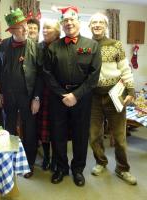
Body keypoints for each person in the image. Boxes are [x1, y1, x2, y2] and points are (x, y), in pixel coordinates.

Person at [43, 6, 101, 186]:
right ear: (62, 24)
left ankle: (78, 170)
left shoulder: (92, 46)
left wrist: (75, 95)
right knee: (57, 134)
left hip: (82, 97)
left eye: (72, 19)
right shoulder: (53, 47)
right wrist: (63, 94)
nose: (69, 23)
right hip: (57, 97)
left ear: (78, 22)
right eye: (65, 21)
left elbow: (94, 76)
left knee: (80, 135)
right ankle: (61, 168)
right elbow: (47, 73)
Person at [89, 13, 137, 185]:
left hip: (115, 95)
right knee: (94, 135)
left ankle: (122, 168)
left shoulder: (116, 45)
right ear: (89, 26)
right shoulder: (86, 46)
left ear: (106, 25)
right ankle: (101, 162)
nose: (97, 25)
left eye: (100, 22)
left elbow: (125, 69)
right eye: (94, 22)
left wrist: (131, 90)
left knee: (119, 137)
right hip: (93, 97)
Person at [0, 8, 41, 178]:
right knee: (9, 128)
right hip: (8, 94)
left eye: (25, 26)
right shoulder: (3, 45)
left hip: (28, 96)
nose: (25, 29)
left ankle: (28, 164)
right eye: (20, 27)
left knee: (30, 130)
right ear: (12, 30)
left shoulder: (35, 47)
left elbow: (40, 76)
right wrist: (0, 91)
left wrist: (36, 97)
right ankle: (10, 161)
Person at [37, 19, 60, 171]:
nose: (45, 31)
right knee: (43, 128)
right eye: (44, 28)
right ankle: (46, 156)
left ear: (57, 31)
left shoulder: (63, 45)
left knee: (57, 128)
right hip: (42, 91)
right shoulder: (39, 46)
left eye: (49, 28)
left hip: (58, 93)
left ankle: (57, 160)